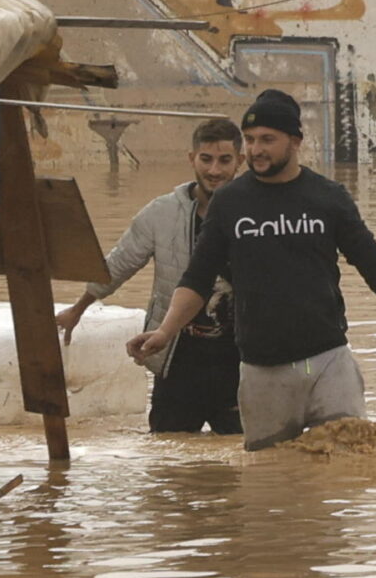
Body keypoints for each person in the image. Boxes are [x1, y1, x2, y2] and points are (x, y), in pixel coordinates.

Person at [128, 89, 376, 450]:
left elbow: (375, 266)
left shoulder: (328, 198)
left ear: (295, 141)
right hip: (262, 372)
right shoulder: (230, 202)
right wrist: (165, 332)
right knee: (270, 483)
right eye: (251, 140)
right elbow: (196, 279)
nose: (256, 150)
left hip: (329, 362)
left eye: (267, 140)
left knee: (351, 465)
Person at [60, 117, 244, 434]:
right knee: (168, 460)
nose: (214, 170)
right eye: (206, 159)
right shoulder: (162, 213)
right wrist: (78, 309)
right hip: (177, 354)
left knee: (247, 460)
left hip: (240, 356)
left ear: (240, 161)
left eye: (224, 160)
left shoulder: (256, 213)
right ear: (191, 159)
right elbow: (118, 265)